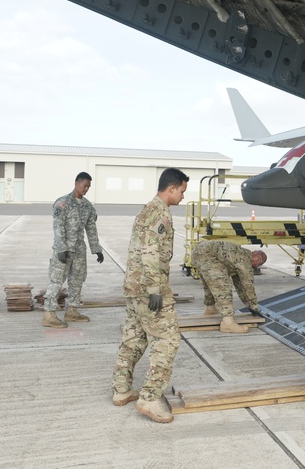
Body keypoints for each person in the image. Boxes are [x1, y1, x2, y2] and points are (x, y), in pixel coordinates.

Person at [111, 167, 189, 423]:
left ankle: (121, 389)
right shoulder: (159, 213)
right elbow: (150, 251)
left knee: (134, 337)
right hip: (149, 289)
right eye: (182, 192)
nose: (183, 197)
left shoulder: (147, 208)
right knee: (168, 339)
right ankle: (150, 396)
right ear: (172, 188)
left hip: (134, 287)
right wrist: (155, 288)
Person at [41, 172, 104, 329]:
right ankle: (49, 314)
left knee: (77, 280)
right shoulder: (63, 203)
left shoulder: (87, 206)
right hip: (63, 250)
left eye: (89, 187)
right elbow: (58, 226)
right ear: (76, 183)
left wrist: (96, 249)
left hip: (79, 250)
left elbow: (91, 228)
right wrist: (61, 247)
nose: (86, 189)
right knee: (56, 281)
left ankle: (72, 310)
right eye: (85, 185)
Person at [191, 240, 267, 334]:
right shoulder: (245, 259)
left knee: (211, 283)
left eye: (261, 263)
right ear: (254, 252)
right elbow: (248, 286)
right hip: (207, 254)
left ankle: (210, 309)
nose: (258, 262)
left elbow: (240, 286)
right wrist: (253, 306)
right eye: (259, 258)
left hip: (198, 252)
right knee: (223, 287)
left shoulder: (239, 256)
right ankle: (228, 323)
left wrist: (250, 305)